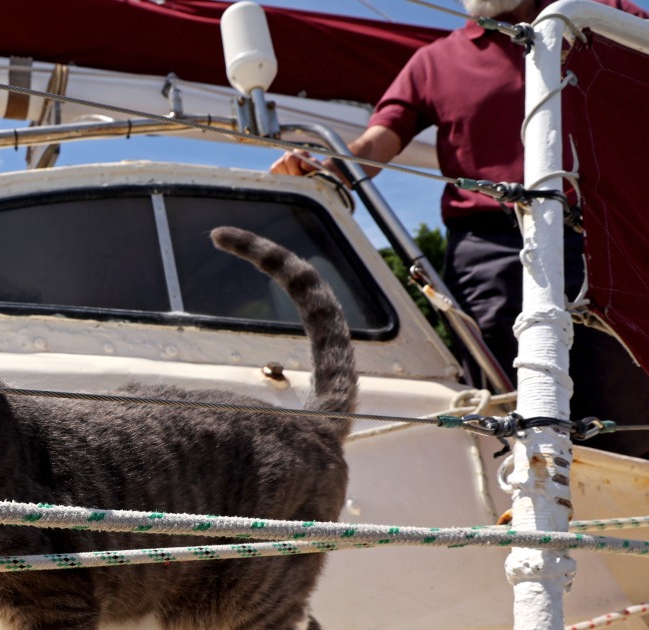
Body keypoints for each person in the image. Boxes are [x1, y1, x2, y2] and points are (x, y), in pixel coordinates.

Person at [272, 0, 649, 458]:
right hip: (489, 256)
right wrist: (326, 167)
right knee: (512, 408)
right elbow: (380, 138)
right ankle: (529, 522)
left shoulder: (603, 16)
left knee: (627, 416)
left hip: (606, 243)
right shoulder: (434, 61)